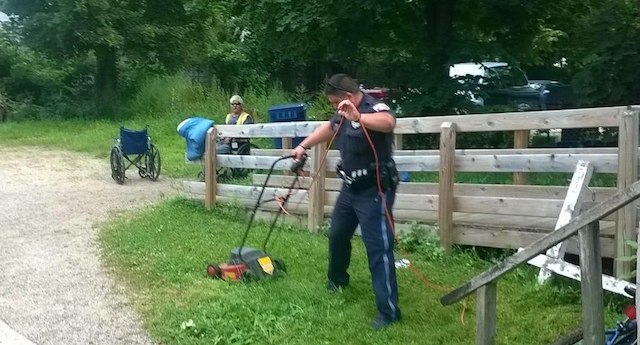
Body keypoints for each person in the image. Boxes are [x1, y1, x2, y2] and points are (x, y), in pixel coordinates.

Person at [291, 73, 401, 330]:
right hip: (350, 189)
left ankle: (389, 312)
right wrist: (303, 146)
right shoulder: (341, 112)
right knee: (338, 235)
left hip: (375, 191)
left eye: (334, 103)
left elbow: (388, 122)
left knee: (378, 249)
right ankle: (337, 281)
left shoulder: (373, 107)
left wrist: (358, 117)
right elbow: (330, 128)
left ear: (348, 96)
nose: (334, 108)